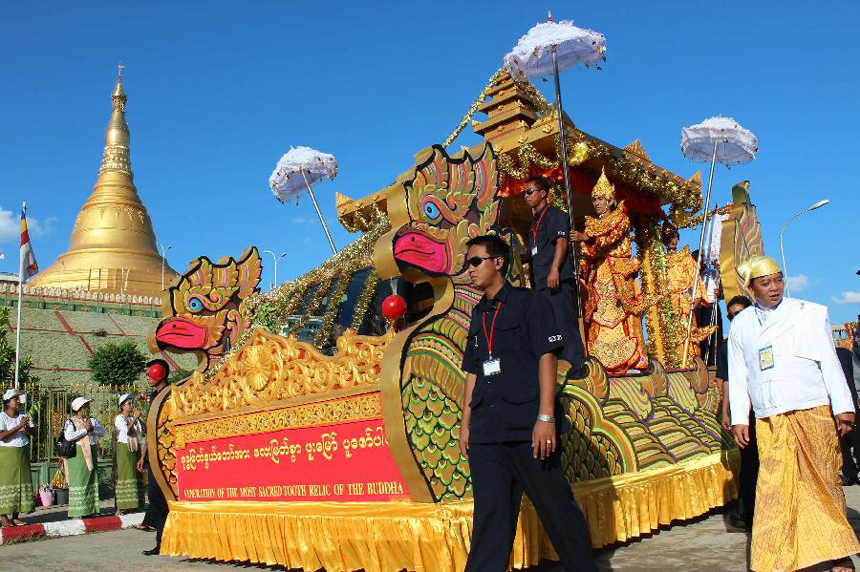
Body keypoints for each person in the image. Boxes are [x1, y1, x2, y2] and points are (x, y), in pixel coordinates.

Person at [458, 234, 596, 572]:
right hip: (487, 434)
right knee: (489, 521)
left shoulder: (529, 302)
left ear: (498, 262)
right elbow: (473, 374)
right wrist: (466, 426)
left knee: (557, 511)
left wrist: (546, 417)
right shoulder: (477, 315)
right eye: (467, 264)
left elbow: (546, 358)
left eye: (475, 262)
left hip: (528, 429)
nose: (470, 270)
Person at [728, 255, 859, 572]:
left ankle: (837, 553)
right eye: (765, 283)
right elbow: (738, 373)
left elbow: (829, 361)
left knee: (822, 483)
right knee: (775, 489)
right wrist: (739, 419)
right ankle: (774, 559)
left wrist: (843, 408)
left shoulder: (808, 314)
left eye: (778, 280)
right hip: (769, 418)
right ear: (751, 288)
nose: (774, 288)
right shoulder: (742, 325)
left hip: (811, 410)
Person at [570, 168, 657, 375]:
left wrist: (588, 240)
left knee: (623, 317)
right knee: (598, 319)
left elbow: (608, 239)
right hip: (598, 278)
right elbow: (586, 253)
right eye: (594, 200)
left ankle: (632, 363)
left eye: (601, 199)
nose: (597, 203)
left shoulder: (621, 219)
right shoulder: (590, 225)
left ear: (610, 200)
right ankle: (601, 365)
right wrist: (580, 270)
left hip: (617, 276)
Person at [521, 175, 584, 371]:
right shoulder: (533, 223)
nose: (526, 196)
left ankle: (575, 367)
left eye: (529, 192)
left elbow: (562, 242)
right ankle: (558, 368)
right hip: (540, 284)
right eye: (524, 193)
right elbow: (533, 253)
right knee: (549, 328)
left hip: (555, 280)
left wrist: (555, 270)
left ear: (543, 193)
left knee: (563, 323)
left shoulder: (555, 215)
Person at [716, 294, 756, 530]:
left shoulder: (765, 336)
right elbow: (728, 380)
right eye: (730, 316)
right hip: (746, 412)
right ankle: (747, 513)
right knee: (750, 462)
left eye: (738, 314)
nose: (734, 319)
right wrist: (726, 412)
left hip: (770, 408)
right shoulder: (727, 346)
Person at [662, 226, 716, 367]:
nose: (671, 240)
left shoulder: (685, 258)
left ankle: (688, 362)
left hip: (683, 302)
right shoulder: (660, 261)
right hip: (667, 303)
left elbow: (695, 279)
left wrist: (697, 297)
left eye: (673, 236)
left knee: (686, 334)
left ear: (678, 238)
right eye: (668, 238)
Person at [140, 358, 170, 556]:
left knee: (162, 497)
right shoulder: (153, 396)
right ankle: (162, 542)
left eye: (150, 373)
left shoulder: (171, 394)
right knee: (155, 496)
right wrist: (143, 455)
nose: (147, 377)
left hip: (168, 455)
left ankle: (170, 539)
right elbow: (150, 429)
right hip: (153, 455)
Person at [64, 397, 105, 518]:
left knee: (90, 480)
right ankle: (78, 512)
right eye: (86, 405)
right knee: (79, 480)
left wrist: (93, 429)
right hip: (78, 453)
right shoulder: (70, 421)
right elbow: (69, 436)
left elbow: (102, 432)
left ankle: (90, 510)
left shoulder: (91, 420)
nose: (89, 407)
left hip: (91, 451)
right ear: (80, 408)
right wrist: (84, 430)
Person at [0, 389, 35, 527]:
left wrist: (26, 427)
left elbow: (34, 432)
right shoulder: (2, 416)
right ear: (8, 403)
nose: (18, 401)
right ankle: (3, 517)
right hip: (7, 454)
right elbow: (1, 436)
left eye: (18, 398)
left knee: (21, 483)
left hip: (23, 452)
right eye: (15, 399)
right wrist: (18, 426)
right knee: (7, 483)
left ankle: (15, 516)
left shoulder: (23, 415)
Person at [114, 393, 145, 515]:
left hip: (134, 448)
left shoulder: (131, 418)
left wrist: (138, 419)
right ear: (122, 406)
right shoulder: (119, 418)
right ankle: (121, 507)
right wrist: (135, 418)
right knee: (125, 474)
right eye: (129, 403)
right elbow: (126, 430)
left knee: (135, 474)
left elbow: (141, 431)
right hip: (124, 449)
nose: (131, 405)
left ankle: (134, 504)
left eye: (132, 403)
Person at [836, 346, 860, 485]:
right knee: (842, 443)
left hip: (851, 402)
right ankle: (850, 473)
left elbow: (855, 375)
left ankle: (851, 473)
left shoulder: (843, 353)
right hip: (835, 406)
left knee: (855, 438)